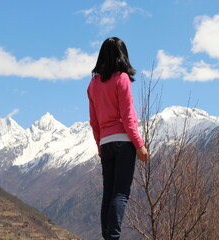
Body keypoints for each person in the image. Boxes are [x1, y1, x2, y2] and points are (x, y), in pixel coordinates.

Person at [87, 37, 149, 240]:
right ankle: (113, 237)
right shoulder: (121, 78)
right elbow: (127, 116)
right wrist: (139, 145)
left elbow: (94, 121)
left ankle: (108, 237)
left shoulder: (93, 84)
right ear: (123, 55)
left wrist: (99, 144)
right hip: (124, 141)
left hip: (105, 143)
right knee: (120, 193)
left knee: (108, 194)